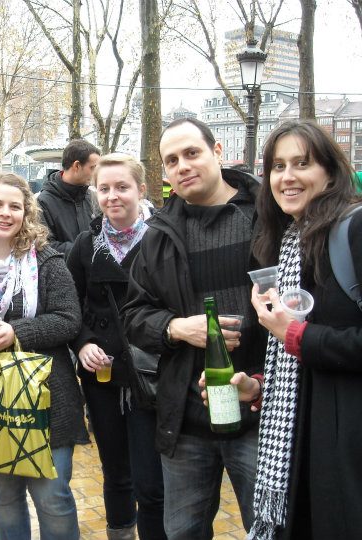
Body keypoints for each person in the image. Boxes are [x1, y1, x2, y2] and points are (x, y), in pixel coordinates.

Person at [208, 120, 362, 539]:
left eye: (302, 163)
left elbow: (303, 341)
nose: (287, 177)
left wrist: (296, 335)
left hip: (346, 450)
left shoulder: (353, 231)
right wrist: (257, 387)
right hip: (302, 451)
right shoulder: (289, 244)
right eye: (278, 166)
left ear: (330, 172)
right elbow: (296, 367)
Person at [123, 117, 267, 539]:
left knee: (270, 527)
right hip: (187, 421)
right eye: (171, 160)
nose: (182, 166)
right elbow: (134, 316)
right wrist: (177, 328)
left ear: (218, 151)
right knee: (182, 531)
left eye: (192, 153)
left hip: (261, 414)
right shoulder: (159, 236)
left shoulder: (266, 219)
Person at [0, 172, 87, 539]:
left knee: (53, 497)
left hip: (48, 396)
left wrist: (16, 331)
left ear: (26, 213)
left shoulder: (47, 261)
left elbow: (69, 320)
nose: (5, 213)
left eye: (15, 206)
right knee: (3, 497)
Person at [66, 154, 166, 540]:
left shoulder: (162, 239)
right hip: (102, 377)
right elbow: (70, 305)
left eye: (122, 187)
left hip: (150, 374)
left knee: (150, 480)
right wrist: (83, 342)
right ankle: (120, 532)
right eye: (104, 188)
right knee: (116, 474)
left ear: (141, 190)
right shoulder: (86, 245)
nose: (112, 196)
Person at [37, 139, 100, 257]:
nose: (96, 173)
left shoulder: (94, 198)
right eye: (92, 168)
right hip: (63, 273)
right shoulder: (42, 203)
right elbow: (44, 246)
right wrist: (84, 250)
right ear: (76, 165)